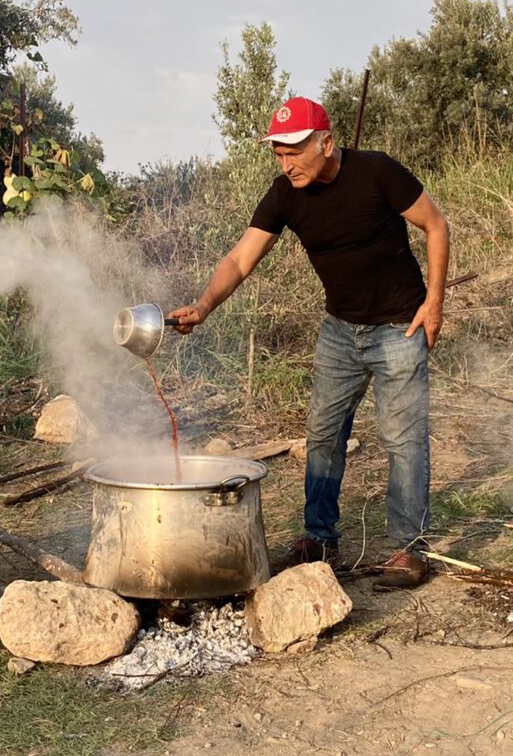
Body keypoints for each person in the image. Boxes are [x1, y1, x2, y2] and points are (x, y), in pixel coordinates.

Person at [170, 96, 449, 588]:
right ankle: (320, 538)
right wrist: (205, 305)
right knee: (322, 438)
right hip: (340, 331)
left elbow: (435, 224)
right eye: (278, 153)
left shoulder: (377, 172)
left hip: (399, 327)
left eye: (294, 151)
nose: (286, 163)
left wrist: (434, 303)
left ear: (326, 142)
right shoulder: (286, 194)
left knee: (403, 439)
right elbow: (240, 259)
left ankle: (409, 549)